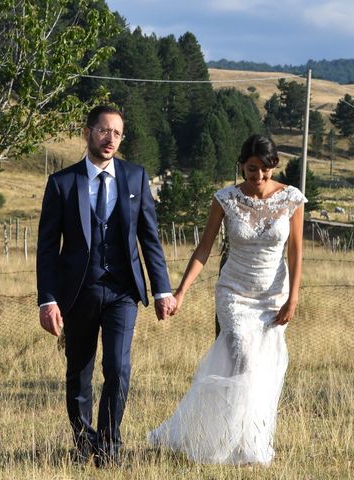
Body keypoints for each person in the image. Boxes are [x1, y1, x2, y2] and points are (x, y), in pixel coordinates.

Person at [149, 134, 306, 465]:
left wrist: (293, 297)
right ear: (242, 167)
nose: (258, 177)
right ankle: (228, 442)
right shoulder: (226, 198)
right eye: (251, 170)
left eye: (264, 170)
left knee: (266, 368)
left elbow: (295, 251)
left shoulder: (291, 199)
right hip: (234, 293)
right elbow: (204, 248)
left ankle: (249, 440)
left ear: (273, 166)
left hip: (272, 297)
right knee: (243, 356)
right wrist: (180, 292)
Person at [37, 105, 176, 467]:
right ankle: (84, 444)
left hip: (123, 292)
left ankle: (110, 446)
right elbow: (47, 248)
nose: (109, 138)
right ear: (87, 133)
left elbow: (149, 238)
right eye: (103, 130)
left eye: (116, 133)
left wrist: (162, 290)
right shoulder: (62, 183)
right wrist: (47, 300)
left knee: (118, 367)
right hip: (78, 292)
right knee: (79, 370)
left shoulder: (136, 177)